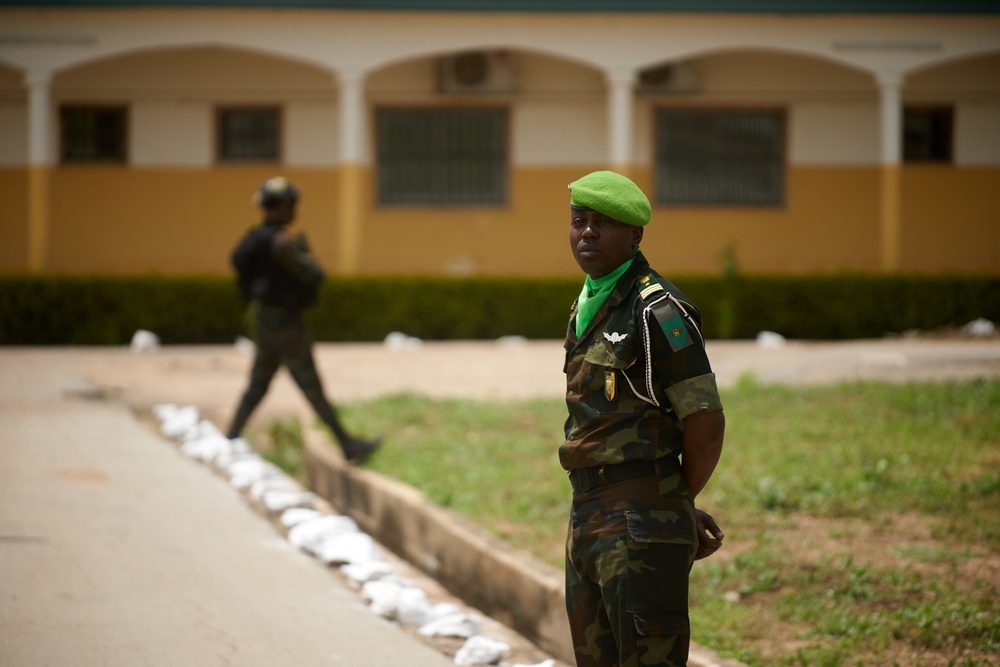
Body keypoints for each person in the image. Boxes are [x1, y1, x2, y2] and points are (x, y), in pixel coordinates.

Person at [560, 170, 726, 666]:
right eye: (579, 221)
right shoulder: (590, 301)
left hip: (637, 522)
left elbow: (705, 419)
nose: (588, 233)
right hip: (587, 513)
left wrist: (672, 501)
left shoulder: (657, 310)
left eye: (604, 223)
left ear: (635, 235)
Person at [227, 176, 380, 463]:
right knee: (311, 386)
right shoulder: (282, 242)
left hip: (262, 318)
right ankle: (347, 444)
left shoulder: (256, 238)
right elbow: (314, 275)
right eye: (290, 205)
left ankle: (230, 436)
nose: (294, 210)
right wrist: (307, 254)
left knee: (258, 383)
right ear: (280, 206)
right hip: (284, 324)